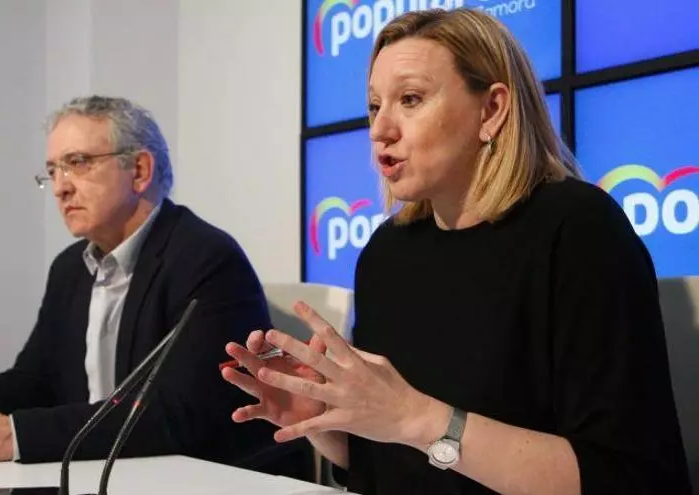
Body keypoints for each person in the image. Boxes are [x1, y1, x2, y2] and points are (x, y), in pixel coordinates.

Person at [222, 8, 692, 495]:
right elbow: (390, 464)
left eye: (410, 99)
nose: (380, 129)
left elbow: (627, 478)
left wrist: (417, 417)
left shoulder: (580, 231)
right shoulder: (386, 254)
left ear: (491, 110)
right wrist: (323, 420)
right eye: (375, 106)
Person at [0, 95, 313, 479]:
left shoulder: (207, 259)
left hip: (205, 477)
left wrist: (12, 436)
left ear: (140, 171)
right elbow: (35, 377)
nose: (60, 186)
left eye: (77, 162)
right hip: (101, 471)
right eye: (53, 170)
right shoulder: (69, 268)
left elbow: (180, 415)